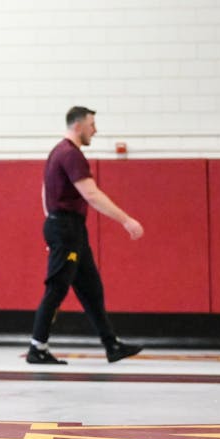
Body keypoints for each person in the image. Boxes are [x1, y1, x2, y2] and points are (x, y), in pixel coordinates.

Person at [27, 106, 145, 365]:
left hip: (69, 228)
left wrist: (53, 223)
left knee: (91, 288)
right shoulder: (70, 155)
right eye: (92, 125)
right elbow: (91, 194)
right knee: (57, 287)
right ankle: (37, 347)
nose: (96, 130)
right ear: (78, 126)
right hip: (66, 229)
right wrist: (126, 220)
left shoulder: (59, 152)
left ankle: (111, 344)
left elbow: (45, 191)